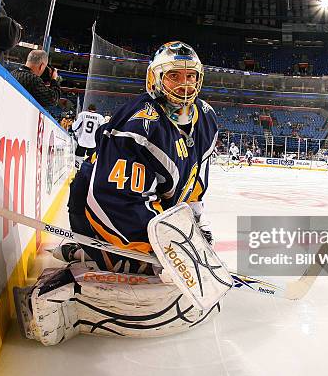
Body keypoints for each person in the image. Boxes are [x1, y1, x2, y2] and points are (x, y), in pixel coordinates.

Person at [64, 40, 217, 273]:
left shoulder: (206, 117)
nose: (184, 84)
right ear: (155, 79)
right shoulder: (139, 126)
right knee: (132, 266)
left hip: (151, 204)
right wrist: (156, 249)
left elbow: (196, 177)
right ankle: (93, 251)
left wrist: (193, 220)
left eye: (190, 76)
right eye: (174, 76)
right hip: (98, 213)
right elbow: (114, 200)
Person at [71, 104, 105, 169]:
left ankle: (77, 173)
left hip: (82, 141)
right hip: (93, 143)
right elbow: (103, 128)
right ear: (96, 110)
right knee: (91, 163)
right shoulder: (100, 117)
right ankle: (88, 175)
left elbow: (74, 127)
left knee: (78, 161)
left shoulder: (83, 114)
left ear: (88, 109)